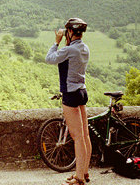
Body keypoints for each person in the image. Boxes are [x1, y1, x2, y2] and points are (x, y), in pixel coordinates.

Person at [46, 18, 91, 185]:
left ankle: (79, 178)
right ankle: (84, 172)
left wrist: (56, 42)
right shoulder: (84, 48)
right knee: (85, 135)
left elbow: (50, 58)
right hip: (82, 91)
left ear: (70, 32)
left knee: (77, 137)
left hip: (70, 94)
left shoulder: (69, 50)